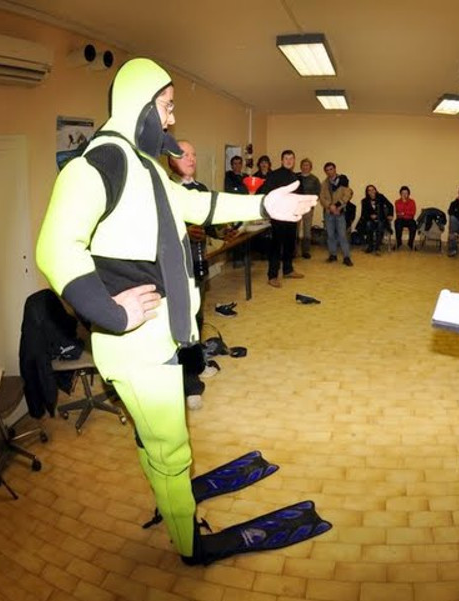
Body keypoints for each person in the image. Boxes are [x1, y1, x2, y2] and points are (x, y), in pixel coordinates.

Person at [36, 58, 320, 566]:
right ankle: (190, 544)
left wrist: (264, 207)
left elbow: (198, 207)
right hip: (137, 346)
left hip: (156, 340)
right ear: (141, 106)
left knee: (154, 440)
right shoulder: (100, 162)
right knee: (172, 449)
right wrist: (113, 313)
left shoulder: (142, 167)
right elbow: (55, 249)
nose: (171, 119)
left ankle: (170, 500)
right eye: (166, 107)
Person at [167, 139, 216, 411]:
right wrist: (185, 232)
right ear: (170, 159)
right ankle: (190, 386)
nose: (191, 158)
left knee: (197, 318)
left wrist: (223, 228)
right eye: (184, 154)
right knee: (182, 325)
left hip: (198, 264)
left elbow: (209, 222)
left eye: (194, 154)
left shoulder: (201, 189)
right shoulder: (165, 188)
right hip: (174, 270)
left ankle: (197, 365)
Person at [264, 150, 303, 288]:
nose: (289, 161)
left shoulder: (295, 177)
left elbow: (299, 196)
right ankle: (272, 276)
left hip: (291, 216)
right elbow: (267, 194)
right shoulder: (274, 175)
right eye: (286, 158)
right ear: (281, 160)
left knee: (290, 244)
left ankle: (288, 270)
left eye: (291, 158)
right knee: (276, 246)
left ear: (294, 161)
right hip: (278, 217)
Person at [319, 161, 354, 266]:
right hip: (328, 212)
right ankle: (333, 255)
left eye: (331, 169)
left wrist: (338, 206)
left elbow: (347, 195)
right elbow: (322, 198)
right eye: (327, 170)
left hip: (340, 212)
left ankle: (346, 257)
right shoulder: (324, 184)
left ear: (335, 169)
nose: (329, 172)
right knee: (330, 235)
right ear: (325, 172)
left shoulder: (343, 180)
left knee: (342, 235)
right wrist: (330, 206)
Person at [357, 184, 392, 253]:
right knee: (368, 224)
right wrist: (370, 216)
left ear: (375, 190)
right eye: (369, 190)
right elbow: (363, 214)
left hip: (381, 219)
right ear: (367, 192)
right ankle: (370, 246)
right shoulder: (364, 201)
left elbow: (390, 205)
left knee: (380, 225)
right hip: (370, 220)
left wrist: (390, 215)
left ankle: (377, 247)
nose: (371, 192)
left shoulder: (381, 197)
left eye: (373, 190)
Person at [297, 158, 321, 259]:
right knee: (295, 229)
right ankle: (293, 251)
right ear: (301, 166)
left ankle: (306, 251)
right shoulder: (295, 177)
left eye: (307, 165)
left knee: (307, 230)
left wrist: (311, 203)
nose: (305, 167)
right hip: (296, 207)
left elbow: (318, 193)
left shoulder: (314, 179)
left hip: (308, 207)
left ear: (310, 167)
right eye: (304, 165)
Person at [394, 185, 417, 250]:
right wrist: (405, 211)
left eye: (406, 193)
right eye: (403, 193)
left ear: (408, 194)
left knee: (414, 225)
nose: (404, 195)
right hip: (400, 219)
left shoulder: (412, 201)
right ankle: (399, 243)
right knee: (397, 224)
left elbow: (413, 212)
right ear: (400, 194)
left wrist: (404, 213)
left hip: (410, 219)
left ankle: (410, 243)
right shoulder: (397, 202)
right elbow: (398, 212)